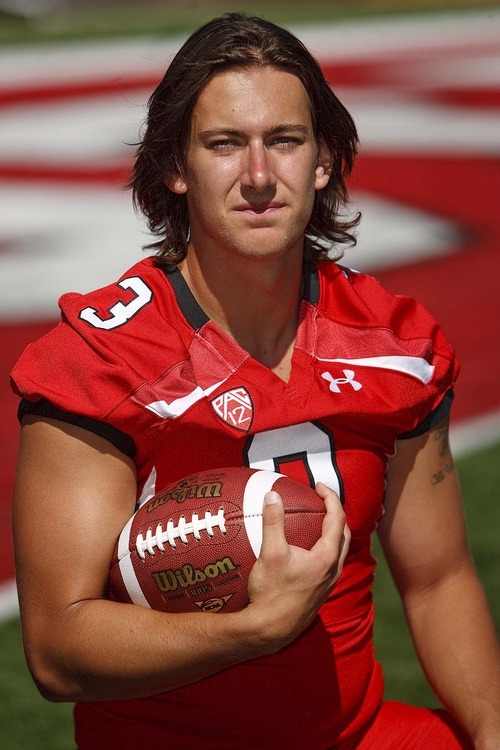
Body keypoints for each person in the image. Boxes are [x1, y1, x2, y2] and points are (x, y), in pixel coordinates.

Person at [10, 12, 500, 750]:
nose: (260, 175)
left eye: (285, 140)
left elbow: (437, 582)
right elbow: (57, 648)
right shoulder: (102, 361)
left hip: (355, 732)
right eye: (224, 144)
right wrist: (252, 630)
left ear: (325, 160)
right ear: (175, 167)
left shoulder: (393, 345)